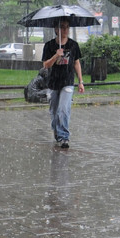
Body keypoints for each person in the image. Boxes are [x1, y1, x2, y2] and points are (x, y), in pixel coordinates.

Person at [42, 18, 84, 148]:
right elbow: (46, 65)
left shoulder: (73, 45)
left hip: (67, 81)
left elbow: (76, 63)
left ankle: (64, 137)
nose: (65, 30)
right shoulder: (49, 46)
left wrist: (80, 81)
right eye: (61, 27)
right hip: (53, 82)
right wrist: (56, 55)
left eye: (67, 27)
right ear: (56, 29)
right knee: (54, 112)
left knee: (63, 109)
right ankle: (57, 131)